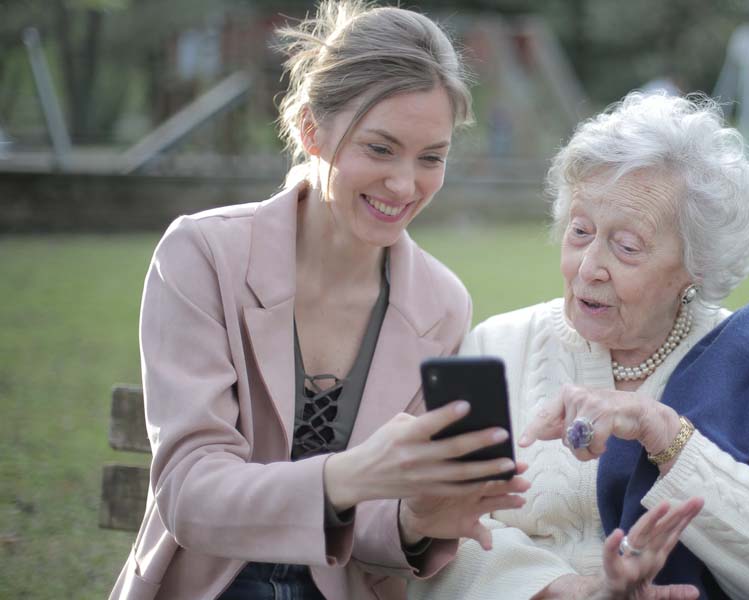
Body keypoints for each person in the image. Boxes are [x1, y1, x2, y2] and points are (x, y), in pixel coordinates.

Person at [111, 3, 529, 598]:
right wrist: (347, 476)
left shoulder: (441, 304)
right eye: (380, 149)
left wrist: (414, 519)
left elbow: (372, 527)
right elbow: (189, 492)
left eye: (430, 157)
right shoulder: (202, 255)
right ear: (311, 130)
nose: (405, 185)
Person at [409, 93, 749, 600]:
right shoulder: (495, 347)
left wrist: (661, 430)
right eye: (579, 231)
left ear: (697, 265)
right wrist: (569, 591)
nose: (588, 267)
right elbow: (437, 538)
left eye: (626, 247)